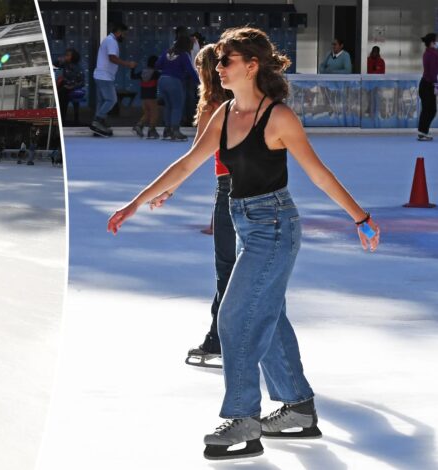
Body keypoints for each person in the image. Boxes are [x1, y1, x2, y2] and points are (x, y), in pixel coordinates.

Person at [107, 26, 380, 461]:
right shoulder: (225, 112)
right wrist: (135, 202)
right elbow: (188, 162)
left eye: (227, 61)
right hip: (245, 224)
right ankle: (298, 407)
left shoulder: (279, 118)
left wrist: (360, 217)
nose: (219, 67)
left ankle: (243, 418)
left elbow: (319, 174)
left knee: (236, 316)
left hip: (275, 226)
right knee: (267, 314)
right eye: (219, 61)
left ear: (252, 66)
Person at [151, 44, 233, 369]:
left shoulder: (214, 105)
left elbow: (192, 160)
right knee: (246, 269)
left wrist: (168, 191)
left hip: (229, 191)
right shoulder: (240, 103)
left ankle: (219, 340)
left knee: (227, 270)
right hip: (258, 190)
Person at [90, 23, 137, 137]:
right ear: (119, 32)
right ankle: (97, 120)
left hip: (101, 75)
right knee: (111, 100)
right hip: (104, 76)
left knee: (102, 101)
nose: (124, 37)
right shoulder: (111, 41)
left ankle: (99, 126)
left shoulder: (108, 40)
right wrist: (128, 64)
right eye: (124, 34)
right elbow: (112, 58)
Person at [156, 32, 199, 140]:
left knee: (168, 106)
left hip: (162, 80)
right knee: (177, 106)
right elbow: (190, 70)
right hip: (174, 81)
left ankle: (167, 130)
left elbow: (157, 65)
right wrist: (199, 82)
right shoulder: (184, 55)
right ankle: (175, 131)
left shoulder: (167, 52)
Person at [131, 55, 161, 139]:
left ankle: (139, 126)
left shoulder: (142, 72)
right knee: (154, 113)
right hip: (152, 96)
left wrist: (132, 68)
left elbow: (133, 76)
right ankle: (151, 131)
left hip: (143, 97)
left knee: (147, 113)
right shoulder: (155, 73)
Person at [55, 48, 85, 126]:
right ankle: (61, 118)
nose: (66, 57)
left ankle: (62, 118)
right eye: (66, 55)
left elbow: (82, 82)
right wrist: (58, 60)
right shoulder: (65, 64)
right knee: (59, 92)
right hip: (65, 85)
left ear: (73, 57)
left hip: (72, 87)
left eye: (68, 55)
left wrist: (72, 87)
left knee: (62, 94)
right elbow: (55, 65)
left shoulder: (78, 68)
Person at [417, 33, 438, 141]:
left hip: (426, 84)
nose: (436, 42)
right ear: (431, 42)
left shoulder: (430, 52)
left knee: (429, 109)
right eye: (435, 40)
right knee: (430, 110)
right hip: (427, 85)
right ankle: (422, 132)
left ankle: (423, 131)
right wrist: (435, 85)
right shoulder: (433, 54)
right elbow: (433, 72)